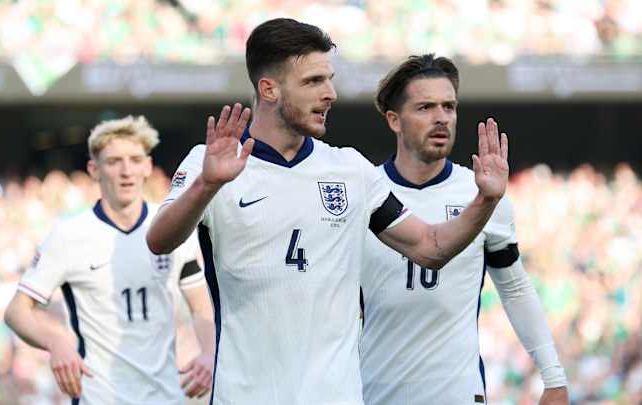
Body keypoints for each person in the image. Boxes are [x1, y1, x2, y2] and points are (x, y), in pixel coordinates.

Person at [147, 18, 508, 405]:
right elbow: (159, 240)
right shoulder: (212, 163)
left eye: (329, 79)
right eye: (313, 81)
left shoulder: (350, 170)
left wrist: (485, 201)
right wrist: (207, 185)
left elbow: (430, 247)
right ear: (268, 89)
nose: (331, 93)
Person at [358, 54, 569, 405]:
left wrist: (554, 376)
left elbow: (514, 287)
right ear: (394, 120)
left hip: (458, 393)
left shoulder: (483, 193)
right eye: (425, 107)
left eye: (449, 106)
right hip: (374, 392)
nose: (441, 117)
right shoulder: (364, 191)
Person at [3, 116, 215, 404]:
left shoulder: (171, 227)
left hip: (166, 397)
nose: (126, 170)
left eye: (135, 159)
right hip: (98, 396)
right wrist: (56, 341)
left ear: (148, 166)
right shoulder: (69, 235)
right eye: (114, 161)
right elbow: (17, 312)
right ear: (94, 169)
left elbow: (202, 308)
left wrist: (209, 353)